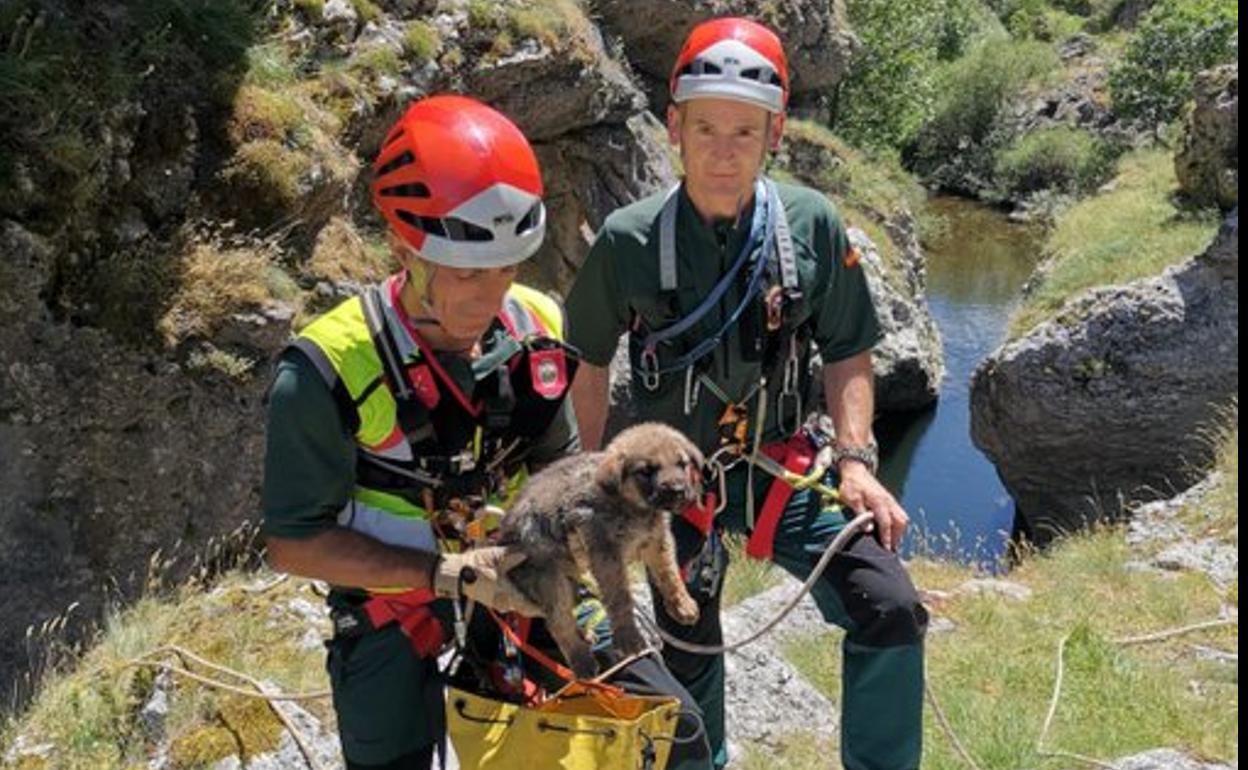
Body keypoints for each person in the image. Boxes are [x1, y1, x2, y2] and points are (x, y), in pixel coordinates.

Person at [261, 94, 709, 770]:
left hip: (534, 573)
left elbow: (566, 476)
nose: (490, 297)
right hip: (398, 604)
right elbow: (295, 545)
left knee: (675, 733)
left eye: (507, 268)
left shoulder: (533, 330)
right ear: (402, 245)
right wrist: (440, 574)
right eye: (468, 273)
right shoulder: (327, 370)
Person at [564, 18, 929, 770]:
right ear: (675, 128)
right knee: (688, 638)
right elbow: (588, 364)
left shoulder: (810, 226)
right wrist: (587, 478)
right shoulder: (628, 241)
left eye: (743, 131)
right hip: (675, 484)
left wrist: (857, 460)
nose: (723, 151)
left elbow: (849, 349)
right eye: (706, 129)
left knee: (889, 605)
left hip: (783, 467)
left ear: (775, 132)